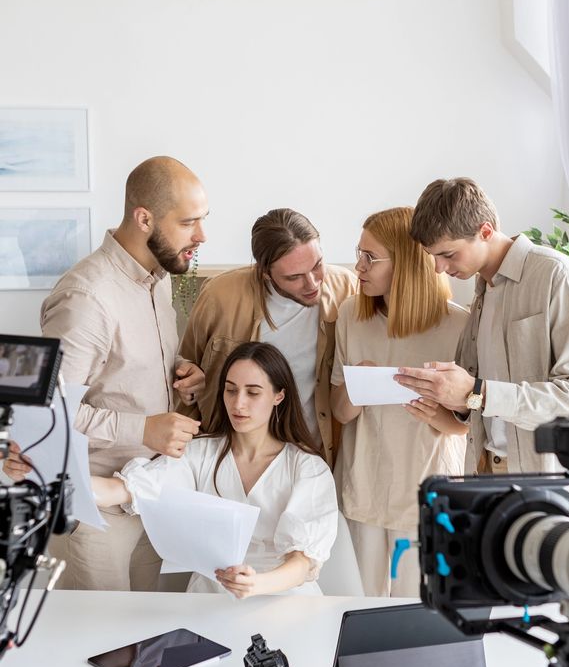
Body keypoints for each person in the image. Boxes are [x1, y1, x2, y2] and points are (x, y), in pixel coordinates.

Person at [3, 155, 208, 591]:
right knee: (100, 631)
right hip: (95, 511)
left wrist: (180, 373)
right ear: (144, 218)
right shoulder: (86, 298)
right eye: (188, 222)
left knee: (144, 626)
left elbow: (122, 369)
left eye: (202, 220)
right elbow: (48, 416)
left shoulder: (160, 276)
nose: (201, 235)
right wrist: (143, 429)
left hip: (149, 493)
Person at [91, 342, 338, 598]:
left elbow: (302, 563)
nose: (238, 403)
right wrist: (70, 485)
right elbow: (126, 489)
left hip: (283, 597)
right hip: (211, 596)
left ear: (279, 396)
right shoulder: (199, 452)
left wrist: (255, 585)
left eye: (253, 393)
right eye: (231, 390)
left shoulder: (308, 468)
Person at [395, 177, 569, 475]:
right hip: (484, 470)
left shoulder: (558, 277)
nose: (439, 269)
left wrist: (478, 391)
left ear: (486, 231)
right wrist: (456, 398)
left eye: (448, 255)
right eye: (433, 256)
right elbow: (481, 406)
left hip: (545, 477)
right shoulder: (482, 292)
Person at [330, 207, 468, 597]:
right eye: (359, 254)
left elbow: (468, 424)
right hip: (363, 487)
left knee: (418, 609)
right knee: (356, 606)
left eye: (370, 257)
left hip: (427, 490)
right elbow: (339, 412)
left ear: (407, 262)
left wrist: (438, 413)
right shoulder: (351, 316)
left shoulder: (459, 326)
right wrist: (357, 386)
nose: (358, 267)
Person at [178, 208, 355, 467]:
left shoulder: (347, 289)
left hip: (313, 457)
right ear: (265, 273)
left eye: (317, 265)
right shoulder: (220, 296)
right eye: (294, 277)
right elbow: (186, 369)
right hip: (230, 458)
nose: (312, 283)